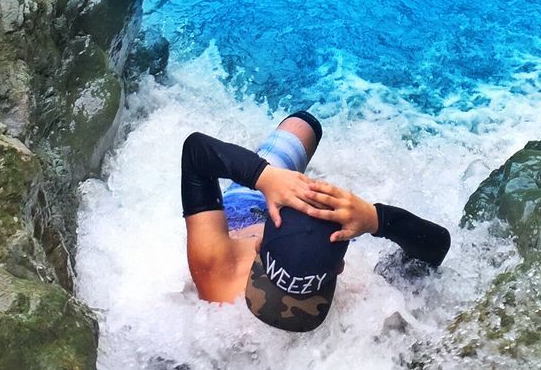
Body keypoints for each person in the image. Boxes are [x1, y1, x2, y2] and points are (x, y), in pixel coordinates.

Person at [180, 112, 451, 332]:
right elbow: (434, 250)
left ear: (259, 245)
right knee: (305, 125)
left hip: (246, 207)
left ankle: (280, 177)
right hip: (267, 197)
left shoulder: (219, 269)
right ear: (341, 268)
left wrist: (261, 177)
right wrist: (375, 219)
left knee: (301, 124)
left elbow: (197, 152)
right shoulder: (359, 303)